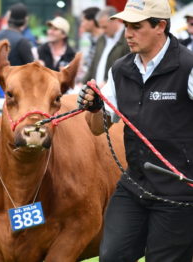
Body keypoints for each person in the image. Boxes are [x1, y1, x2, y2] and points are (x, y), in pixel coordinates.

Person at [77, 0, 193, 261]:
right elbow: (98, 129)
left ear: (160, 26)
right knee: (111, 256)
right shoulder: (120, 69)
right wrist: (94, 108)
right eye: (126, 25)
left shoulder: (188, 66)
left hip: (180, 192)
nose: (128, 33)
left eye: (136, 26)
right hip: (134, 185)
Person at [0, 3, 34, 97]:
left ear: (9, 18)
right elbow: (32, 70)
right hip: (16, 94)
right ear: (25, 20)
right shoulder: (22, 41)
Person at [82, 6, 129, 87]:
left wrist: (108, 83)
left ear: (115, 20)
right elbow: (93, 65)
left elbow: (128, 68)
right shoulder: (101, 39)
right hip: (97, 92)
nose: (102, 31)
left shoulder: (128, 39)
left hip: (116, 91)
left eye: (105, 27)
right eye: (101, 27)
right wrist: (83, 83)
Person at [80, 7, 102, 75]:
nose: (82, 24)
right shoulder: (89, 38)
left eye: (83, 21)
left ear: (92, 21)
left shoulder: (105, 40)